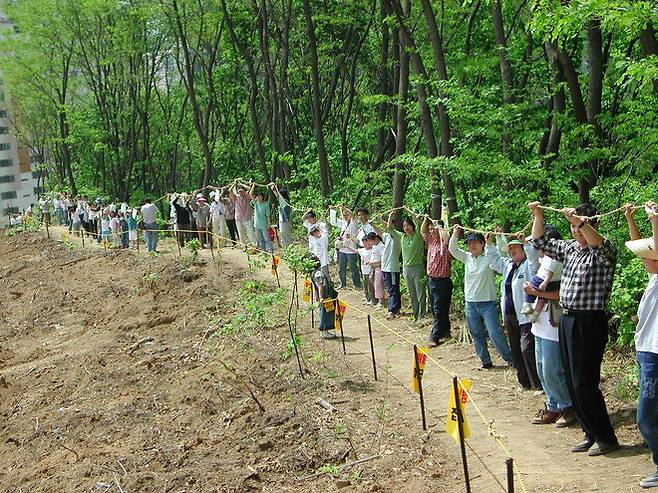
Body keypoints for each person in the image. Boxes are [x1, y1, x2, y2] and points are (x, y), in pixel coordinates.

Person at [529, 201, 618, 456]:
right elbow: (540, 242)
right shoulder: (569, 249)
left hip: (589, 321)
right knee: (571, 381)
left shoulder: (604, 250)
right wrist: (538, 214)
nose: (577, 231)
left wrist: (580, 221)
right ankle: (590, 432)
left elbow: (599, 244)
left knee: (584, 382)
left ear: (594, 224)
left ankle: (605, 436)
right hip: (567, 319)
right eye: (574, 227)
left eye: (583, 226)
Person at [624, 202, 658, 488]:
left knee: (646, 417)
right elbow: (638, 246)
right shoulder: (653, 277)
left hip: (655, 355)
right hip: (646, 351)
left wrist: (654, 219)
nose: (642, 256)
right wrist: (630, 218)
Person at [449, 226, 513, 369]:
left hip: (488, 303)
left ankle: (510, 358)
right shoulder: (467, 258)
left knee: (494, 332)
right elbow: (452, 250)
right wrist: (455, 234)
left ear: (482, 244)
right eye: (469, 243)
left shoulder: (488, 258)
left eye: (475, 242)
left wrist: (498, 236)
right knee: (476, 333)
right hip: (471, 303)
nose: (472, 245)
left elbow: (502, 255)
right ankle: (485, 361)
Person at [486, 231, 541, 390]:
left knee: (527, 349)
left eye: (516, 248)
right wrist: (489, 245)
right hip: (509, 315)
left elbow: (534, 261)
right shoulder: (509, 265)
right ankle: (524, 382)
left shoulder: (529, 266)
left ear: (523, 249)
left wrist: (527, 244)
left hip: (525, 314)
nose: (512, 251)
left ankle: (536, 383)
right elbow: (494, 262)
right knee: (516, 349)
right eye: (510, 249)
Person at [524, 275, 575, 428]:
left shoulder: (558, 261)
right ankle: (553, 406)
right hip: (539, 324)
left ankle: (568, 407)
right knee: (542, 371)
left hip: (553, 326)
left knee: (551, 371)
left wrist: (534, 292)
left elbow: (561, 293)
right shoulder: (542, 262)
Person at [387, 216, 426, 323]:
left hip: (418, 267)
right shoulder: (402, 237)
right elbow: (389, 228)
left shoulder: (417, 235)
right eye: (404, 226)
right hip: (406, 268)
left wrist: (413, 215)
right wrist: (391, 215)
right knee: (412, 293)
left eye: (408, 225)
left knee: (420, 293)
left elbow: (419, 223)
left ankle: (422, 315)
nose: (406, 227)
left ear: (412, 226)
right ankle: (415, 314)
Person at [421, 216, 453, 345]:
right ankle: (445, 330)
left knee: (439, 308)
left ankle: (435, 336)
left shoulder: (445, 244)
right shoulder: (431, 242)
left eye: (434, 229)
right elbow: (422, 231)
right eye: (431, 229)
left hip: (443, 281)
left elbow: (446, 237)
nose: (432, 231)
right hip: (432, 280)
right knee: (436, 308)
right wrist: (426, 220)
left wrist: (439, 226)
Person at [521, 233, 563, 323]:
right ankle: (535, 313)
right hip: (554, 282)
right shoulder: (561, 255)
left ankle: (527, 304)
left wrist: (545, 282)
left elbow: (550, 271)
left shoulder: (552, 256)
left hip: (542, 280)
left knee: (530, 284)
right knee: (542, 298)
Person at [373, 213, 402, 320]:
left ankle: (392, 310)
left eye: (388, 223)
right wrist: (373, 224)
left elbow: (388, 227)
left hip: (392, 268)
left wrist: (389, 215)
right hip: (385, 267)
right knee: (391, 288)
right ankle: (396, 307)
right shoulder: (386, 236)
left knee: (393, 289)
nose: (386, 226)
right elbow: (380, 232)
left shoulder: (398, 235)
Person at [331, 207, 362, 290]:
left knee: (353, 268)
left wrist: (344, 208)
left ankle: (357, 284)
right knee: (341, 267)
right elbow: (333, 221)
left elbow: (353, 215)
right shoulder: (343, 223)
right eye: (344, 214)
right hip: (342, 249)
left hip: (351, 249)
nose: (345, 216)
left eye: (346, 214)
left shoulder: (354, 222)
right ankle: (342, 283)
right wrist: (340, 238)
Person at [229, 185, 257, 249]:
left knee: (250, 232)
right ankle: (244, 246)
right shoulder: (235, 197)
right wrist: (234, 183)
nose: (240, 192)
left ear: (244, 191)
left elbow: (249, 188)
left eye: (242, 190)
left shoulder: (246, 196)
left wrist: (241, 183)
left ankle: (254, 246)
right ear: (237, 192)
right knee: (240, 233)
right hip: (239, 218)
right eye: (239, 191)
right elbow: (230, 190)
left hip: (247, 217)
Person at [366, 232, 386, 308]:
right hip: (373, 267)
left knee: (379, 284)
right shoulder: (374, 246)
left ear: (376, 239)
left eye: (371, 241)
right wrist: (370, 262)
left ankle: (381, 301)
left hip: (379, 268)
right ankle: (378, 300)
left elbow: (383, 260)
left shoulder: (381, 246)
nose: (370, 243)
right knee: (375, 284)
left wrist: (373, 263)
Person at [270, 183, 293, 249]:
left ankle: (287, 250)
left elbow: (277, 196)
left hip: (284, 221)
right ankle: (288, 249)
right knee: (286, 236)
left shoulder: (284, 201)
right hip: (284, 221)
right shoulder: (286, 201)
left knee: (285, 236)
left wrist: (273, 189)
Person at [251, 186, 274, 253]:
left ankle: (270, 250)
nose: (258, 197)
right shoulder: (255, 203)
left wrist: (268, 224)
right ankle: (263, 250)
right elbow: (250, 194)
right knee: (260, 239)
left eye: (260, 196)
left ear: (262, 197)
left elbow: (268, 216)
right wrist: (253, 186)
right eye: (257, 196)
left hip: (264, 224)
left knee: (266, 238)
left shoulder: (266, 204)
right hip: (256, 224)